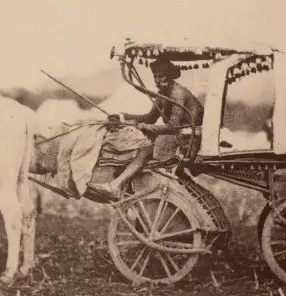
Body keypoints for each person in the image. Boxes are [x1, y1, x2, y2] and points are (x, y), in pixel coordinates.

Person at [87, 55, 204, 201]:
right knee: (140, 145)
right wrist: (124, 117)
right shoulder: (163, 93)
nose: (157, 80)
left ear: (169, 76)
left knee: (145, 150)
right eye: (155, 76)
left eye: (161, 76)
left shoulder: (178, 94)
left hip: (189, 138)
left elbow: (174, 126)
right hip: (179, 135)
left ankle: (116, 186)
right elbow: (150, 118)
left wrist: (145, 127)